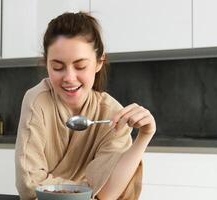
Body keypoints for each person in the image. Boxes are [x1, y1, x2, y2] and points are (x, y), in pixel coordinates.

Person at [15, 12, 156, 200]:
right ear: (46, 64)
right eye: (57, 67)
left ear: (99, 62)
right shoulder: (37, 101)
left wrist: (144, 137)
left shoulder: (113, 114)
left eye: (80, 66)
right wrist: (89, 189)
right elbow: (29, 184)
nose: (69, 78)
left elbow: (106, 193)